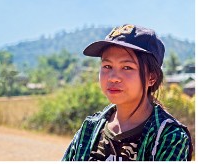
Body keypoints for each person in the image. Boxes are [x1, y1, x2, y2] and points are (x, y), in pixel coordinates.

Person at [62, 24, 193, 161]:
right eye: (107, 66)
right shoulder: (90, 128)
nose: (113, 77)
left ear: (151, 77)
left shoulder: (169, 137)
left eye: (127, 67)